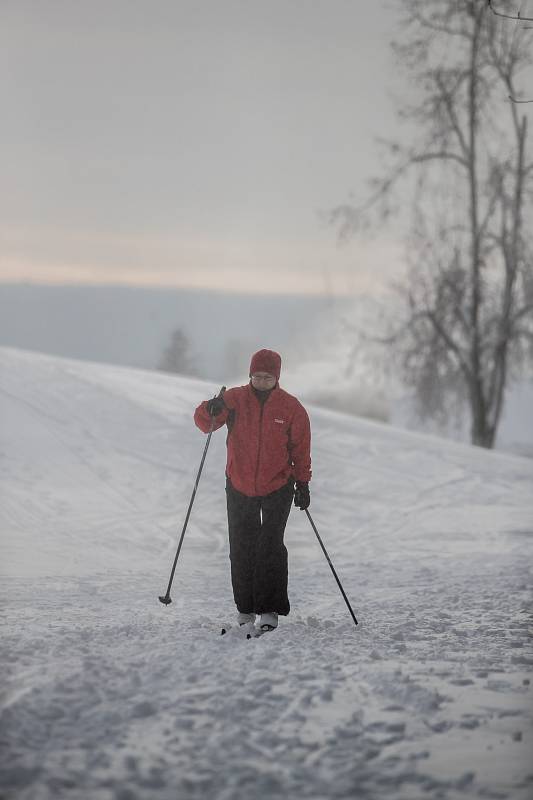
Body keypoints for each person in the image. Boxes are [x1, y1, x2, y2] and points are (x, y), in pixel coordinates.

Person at [194, 349, 311, 632]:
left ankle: (269, 611)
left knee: (269, 547)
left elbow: (301, 447)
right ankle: (245, 609)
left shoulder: (290, 407)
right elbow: (204, 424)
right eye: (256, 376)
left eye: (267, 377)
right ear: (250, 375)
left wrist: (303, 482)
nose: (261, 381)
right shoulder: (234, 399)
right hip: (239, 484)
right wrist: (210, 407)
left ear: (277, 378)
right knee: (242, 547)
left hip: (278, 485)